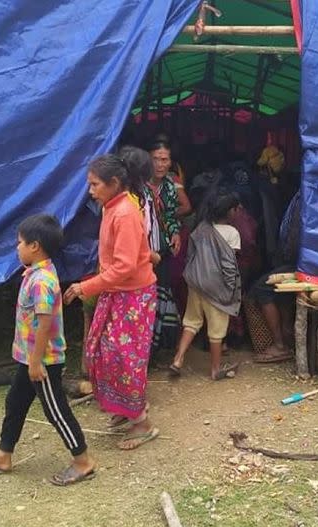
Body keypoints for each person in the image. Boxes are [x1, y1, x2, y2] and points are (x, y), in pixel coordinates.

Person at [0, 214, 95, 486]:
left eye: (20, 243)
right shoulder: (34, 274)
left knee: (56, 410)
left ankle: (83, 461)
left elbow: (44, 323)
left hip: (43, 360)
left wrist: (37, 362)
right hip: (30, 358)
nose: (17, 247)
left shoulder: (42, 282)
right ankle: (3, 455)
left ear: (35, 246)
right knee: (15, 401)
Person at [63, 155, 160, 450]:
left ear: (114, 183)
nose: (90, 190)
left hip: (133, 295)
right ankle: (123, 409)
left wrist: (85, 287)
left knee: (125, 358)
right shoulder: (111, 208)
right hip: (117, 292)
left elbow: (125, 266)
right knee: (105, 353)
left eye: (94, 185)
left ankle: (142, 424)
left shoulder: (125, 213)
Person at [169, 192, 242, 380]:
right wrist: (232, 288)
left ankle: (178, 359)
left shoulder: (201, 229)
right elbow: (229, 263)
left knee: (191, 323)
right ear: (230, 211)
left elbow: (191, 256)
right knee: (216, 331)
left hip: (196, 283)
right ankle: (215, 369)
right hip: (217, 287)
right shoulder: (232, 233)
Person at [247, 189, 302, 361]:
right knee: (280, 291)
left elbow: (294, 239)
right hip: (298, 261)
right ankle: (286, 336)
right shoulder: (305, 196)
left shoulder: (307, 199)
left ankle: (279, 345)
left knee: (262, 288)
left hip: (303, 263)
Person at [148, 136, 183, 354]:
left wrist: (176, 232)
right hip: (142, 253)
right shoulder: (138, 185)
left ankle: (155, 344)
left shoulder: (170, 186)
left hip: (163, 251)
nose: (161, 164)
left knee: (160, 294)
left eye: (165, 159)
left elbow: (170, 215)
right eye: (156, 159)